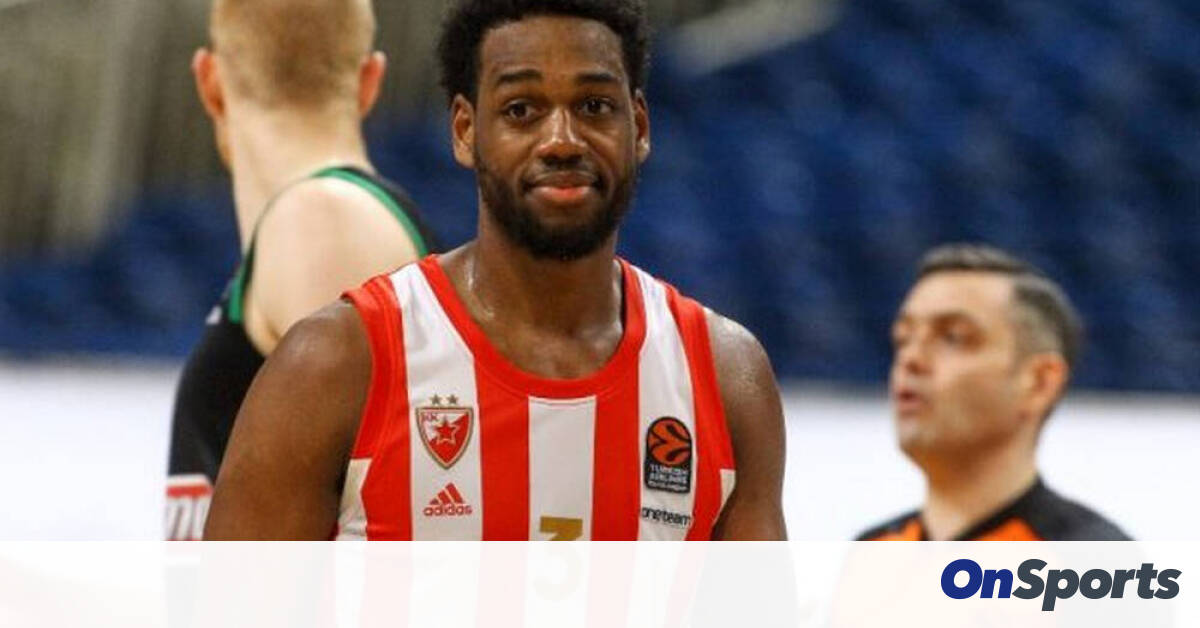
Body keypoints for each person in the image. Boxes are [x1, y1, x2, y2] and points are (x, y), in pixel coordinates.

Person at [203, 0, 787, 541]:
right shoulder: (333, 364)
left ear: (640, 126)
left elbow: (754, 607)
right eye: (521, 110)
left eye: (594, 106)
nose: (561, 140)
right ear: (465, 131)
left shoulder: (726, 378)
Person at [164, 0, 439, 541]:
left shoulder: (320, 223)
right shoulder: (308, 229)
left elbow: (372, 540)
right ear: (369, 82)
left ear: (210, 82)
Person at [858, 244, 1129, 541]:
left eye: (954, 337)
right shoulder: (873, 549)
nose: (910, 359)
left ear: (1039, 382)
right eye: (903, 339)